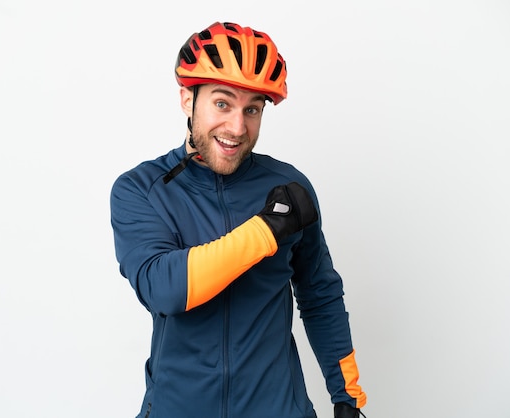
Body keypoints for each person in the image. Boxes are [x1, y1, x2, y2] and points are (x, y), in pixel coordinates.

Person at [110, 21, 367, 418]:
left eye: (252, 110)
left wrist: (347, 396)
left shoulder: (288, 186)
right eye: (222, 103)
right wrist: (265, 231)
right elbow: (165, 288)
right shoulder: (141, 189)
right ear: (186, 99)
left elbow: (320, 294)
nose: (237, 127)